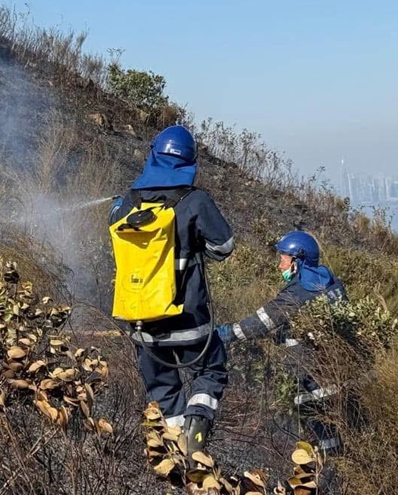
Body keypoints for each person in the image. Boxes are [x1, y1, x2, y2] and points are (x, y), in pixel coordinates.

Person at [109, 125, 234, 457]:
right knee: (211, 369)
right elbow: (224, 246)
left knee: (163, 390)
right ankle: (198, 422)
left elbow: (115, 229)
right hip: (189, 320)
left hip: (142, 325)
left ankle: (178, 453)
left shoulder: (128, 204)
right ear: (190, 161)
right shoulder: (195, 201)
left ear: (153, 155)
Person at [216, 229, 347, 457]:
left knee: (316, 428)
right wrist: (286, 332)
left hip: (308, 374)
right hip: (338, 370)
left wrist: (228, 334)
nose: (280, 266)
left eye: (283, 260)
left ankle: (327, 474)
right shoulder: (332, 283)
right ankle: (337, 465)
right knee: (334, 428)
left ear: (297, 261)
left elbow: (261, 321)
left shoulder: (298, 291)